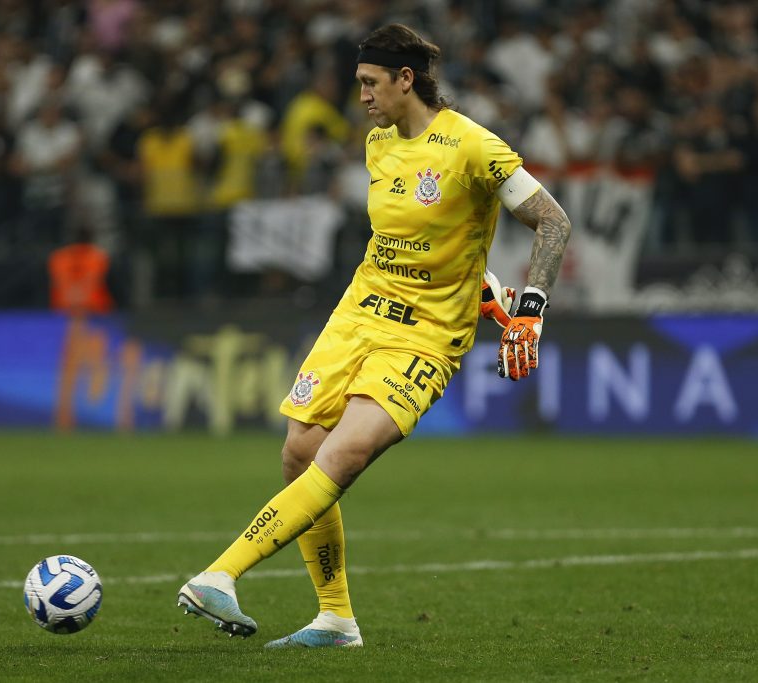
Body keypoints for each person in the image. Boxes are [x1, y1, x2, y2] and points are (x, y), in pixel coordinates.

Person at [176, 23, 572, 648]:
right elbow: (426, 243)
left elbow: (552, 220)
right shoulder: (378, 143)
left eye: (368, 83)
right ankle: (336, 620)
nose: (359, 95)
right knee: (298, 453)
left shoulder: (473, 146)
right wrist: (488, 285)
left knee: (344, 456)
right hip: (359, 312)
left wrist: (530, 306)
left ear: (404, 79)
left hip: (426, 337)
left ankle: (220, 574)